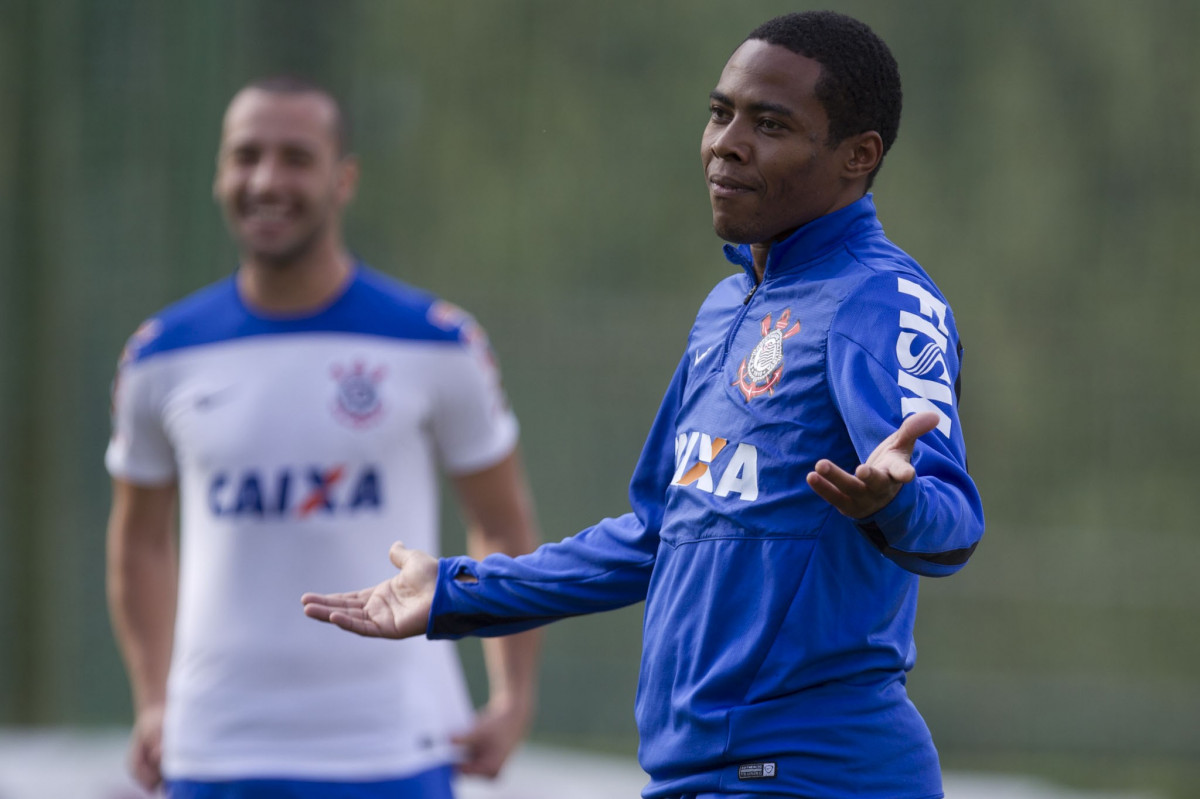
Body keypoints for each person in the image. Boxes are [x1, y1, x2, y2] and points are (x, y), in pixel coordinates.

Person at [303, 11, 984, 799]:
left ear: (857, 157)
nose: (726, 142)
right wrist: (458, 591)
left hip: (814, 775)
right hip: (701, 773)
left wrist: (894, 504)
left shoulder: (881, 298)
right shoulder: (727, 307)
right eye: (720, 112)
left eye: (770, 124)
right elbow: (657, 532)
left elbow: (950, 517)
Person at [105, 76, 540, 799]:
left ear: (344, 178)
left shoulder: (438, 343)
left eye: (296, 158)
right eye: (246, 156)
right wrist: (153, 700)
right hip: (214, 749)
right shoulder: (159, 356)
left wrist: (512, 695)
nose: (267, 179)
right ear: (219, 173)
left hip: (396, 747)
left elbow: (500, 522)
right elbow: (139, 540)